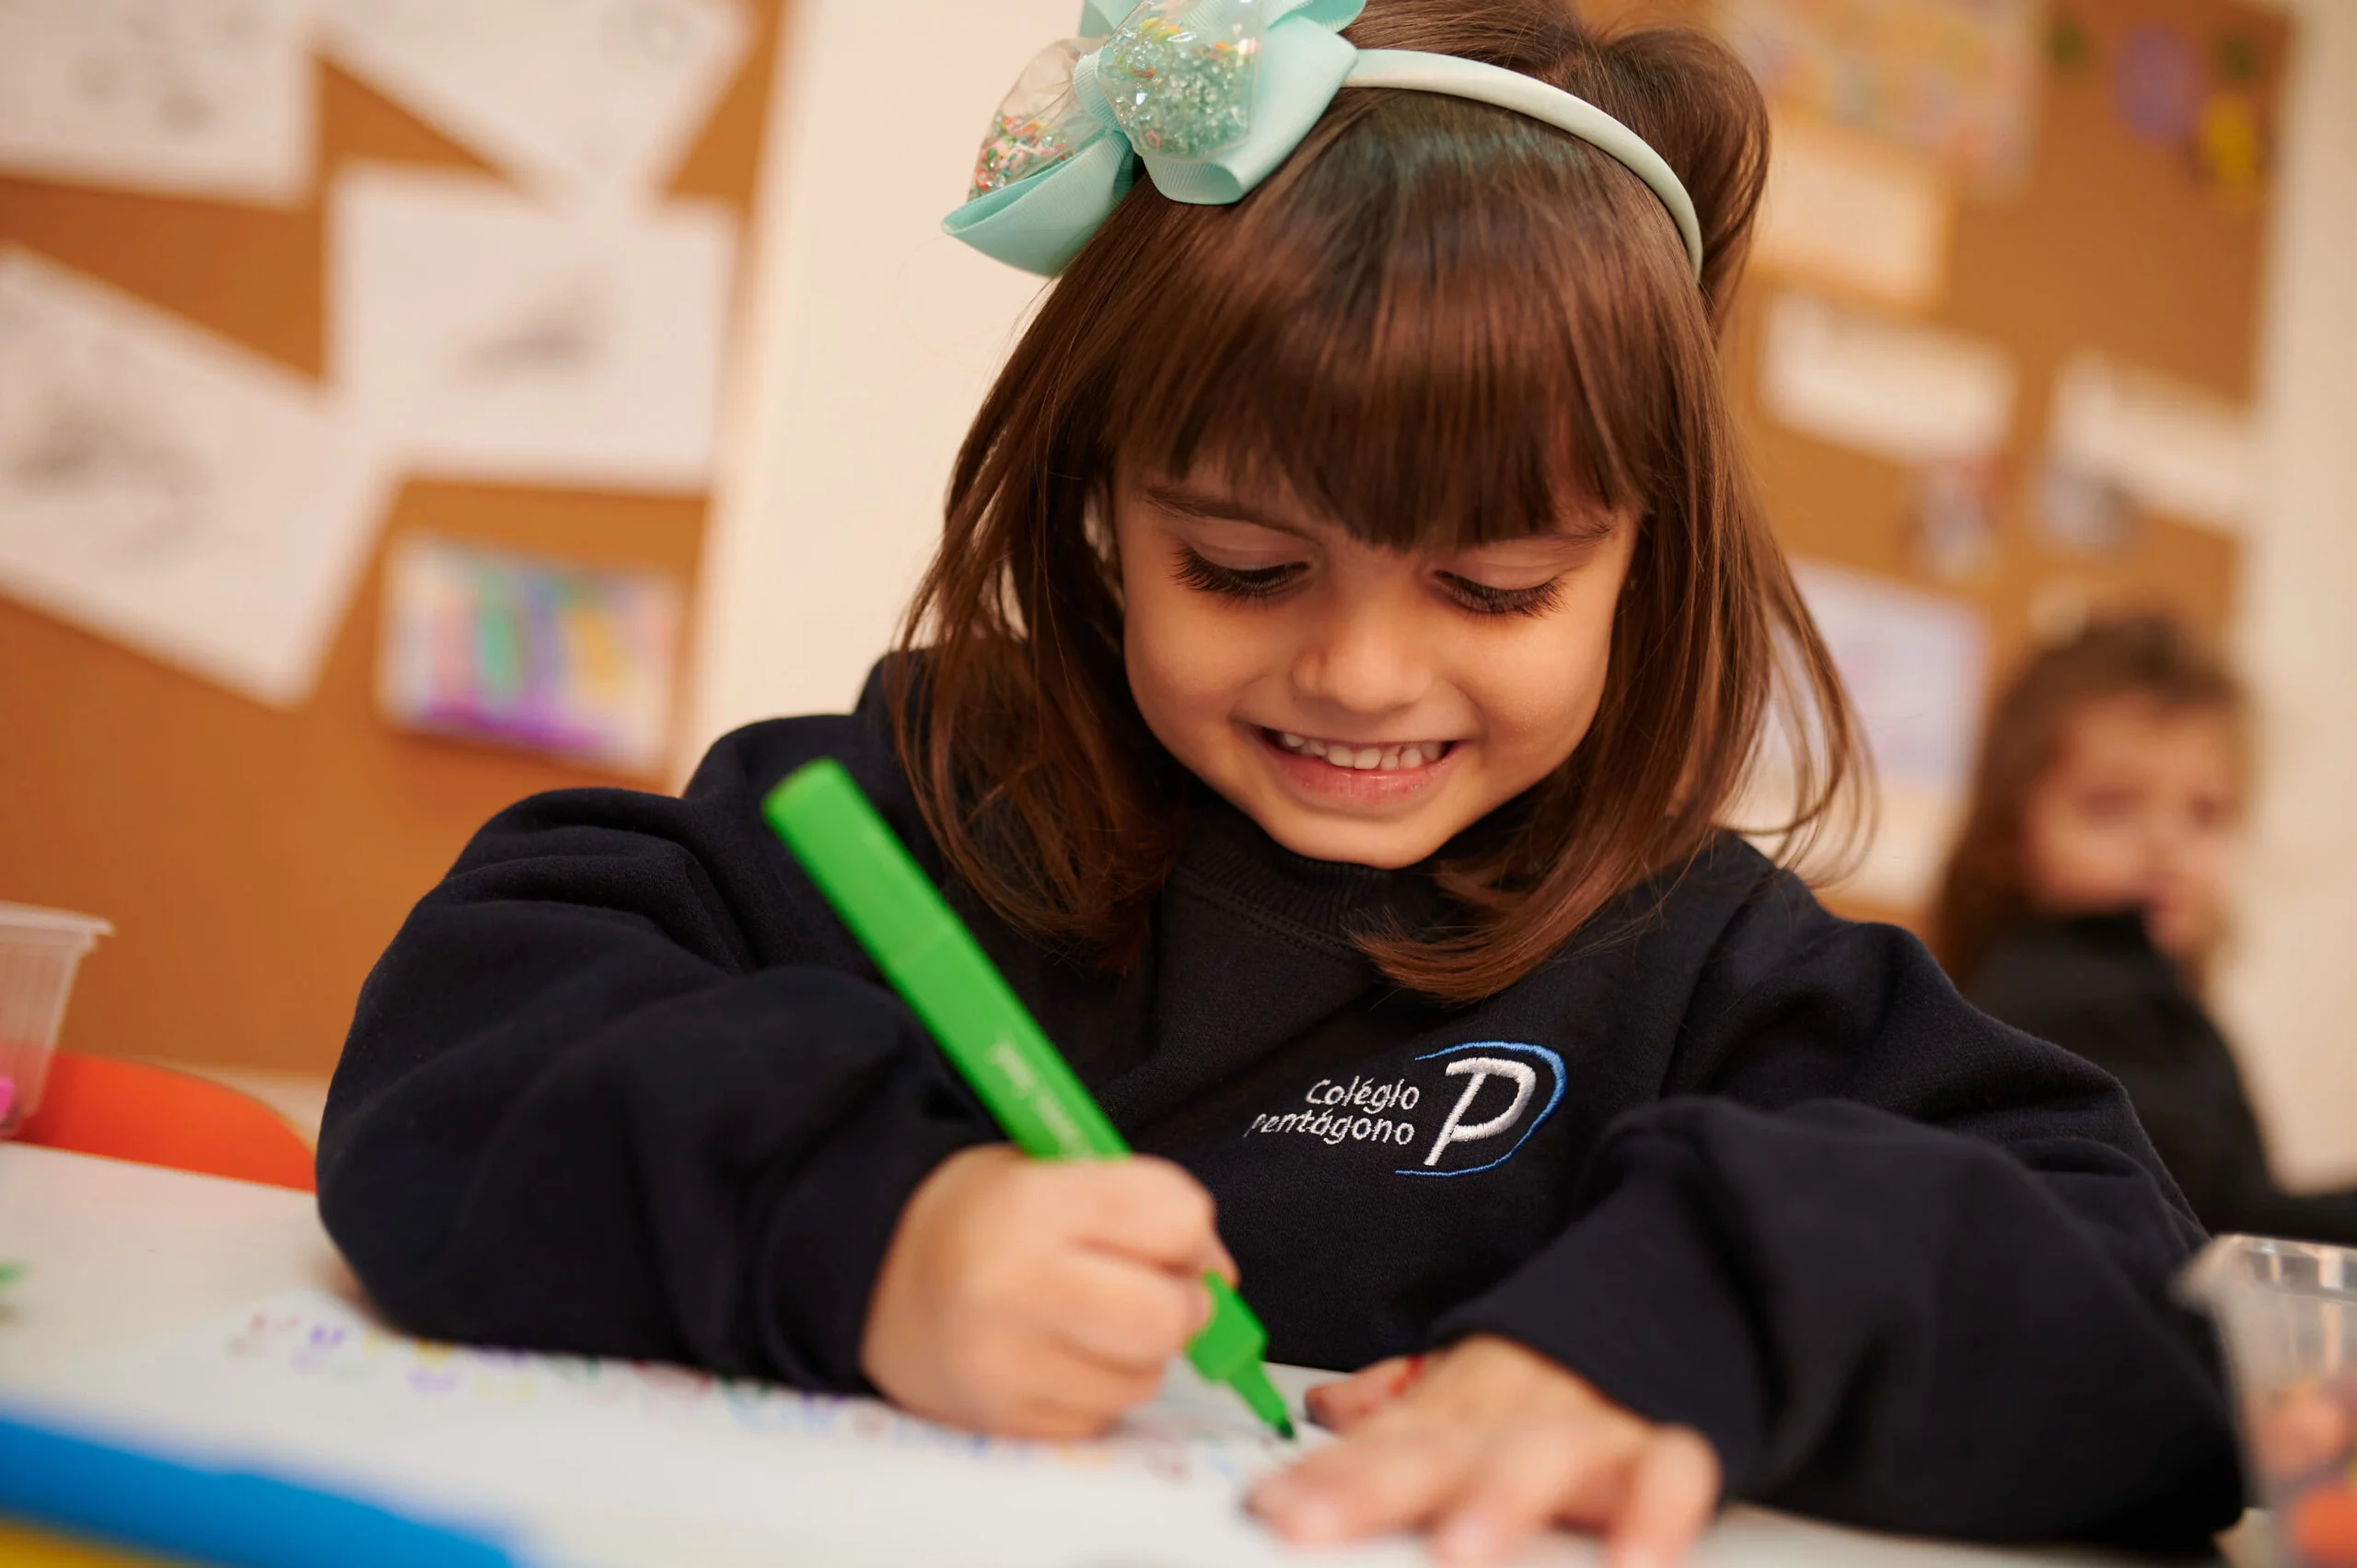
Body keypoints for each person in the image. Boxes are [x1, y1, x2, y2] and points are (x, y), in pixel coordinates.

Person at [316, 3, 2240, 1562]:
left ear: (1642, 564)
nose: (1361, 671)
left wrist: (1696, 1320)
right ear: (1102, 507)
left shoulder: (1704, 961)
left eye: (1496, 585)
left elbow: (2153, 1315)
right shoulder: (931, 803)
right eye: (1241, 567)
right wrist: (867, 1225)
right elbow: (456, 1048)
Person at [1937, 613, 2357, 1245]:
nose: (2166, 842)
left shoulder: (2141, 990)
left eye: (2206, 812)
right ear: (2008, 833)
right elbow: (2205, 1225)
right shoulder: (2063, 999)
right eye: (2110, 805)